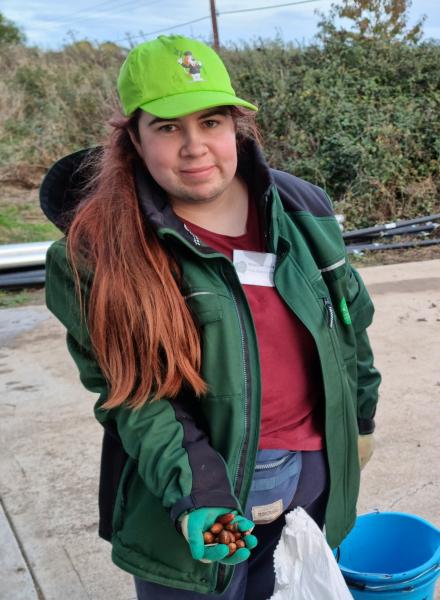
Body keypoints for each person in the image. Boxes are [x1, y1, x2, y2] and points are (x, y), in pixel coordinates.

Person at [41, 34, 381, 599]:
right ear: (134, 138)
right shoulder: (95, 252)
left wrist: (361, 421)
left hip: (314, 470)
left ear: (236, 127)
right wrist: (197, 496)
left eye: (212, 122)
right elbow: (136, 395)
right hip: (200, 490)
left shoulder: (303, 209)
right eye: (169, 128)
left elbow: (348, 327)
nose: (195, 147)